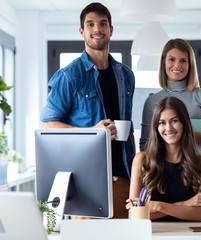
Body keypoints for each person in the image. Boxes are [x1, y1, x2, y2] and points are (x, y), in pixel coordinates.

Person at [40, 2, 135, 218]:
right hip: (85, 183)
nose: (97, 29)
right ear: (82, 31)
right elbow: (47, 126)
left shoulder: (126, 75)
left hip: (123, 179)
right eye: (90, 24)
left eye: (103, 24)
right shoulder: (68, 76)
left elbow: (128, 128)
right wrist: (93, 132)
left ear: (111, 29)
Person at [139, 38, 201, 219]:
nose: (178, 65)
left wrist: (187, 134)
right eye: (172, 59)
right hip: (164, 175)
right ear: (163, 63)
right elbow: (145, 144)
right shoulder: (153, 101)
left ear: (190, 64)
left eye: (183, 60)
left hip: (196, 174)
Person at [128, 96, 201, 221]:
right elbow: (135, 215)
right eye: (162, 123)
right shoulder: (141, 159)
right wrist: (187, 204)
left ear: (184, 123)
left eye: (174, 121)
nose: (169, 128)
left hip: (190, 233)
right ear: (156, 127)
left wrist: (157, 206)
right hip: (153, 234)